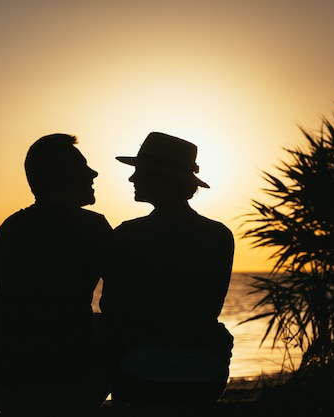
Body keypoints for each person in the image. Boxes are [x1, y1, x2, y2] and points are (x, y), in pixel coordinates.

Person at [0, 133, 112, 416]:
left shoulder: (11, 228)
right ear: (62, 176)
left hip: (8, 389)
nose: (93, 173)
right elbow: (122, 299)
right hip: (74, 387)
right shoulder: (94, 228)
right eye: (83, 167)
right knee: (116, 321)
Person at [100, 132, 235, 409]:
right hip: (207, 374)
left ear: (160, 179)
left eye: (139, 172)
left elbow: (112, 308)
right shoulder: (219, 235)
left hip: (140, 377)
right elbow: (211, 306)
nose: (131, 179)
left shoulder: (128, 235)